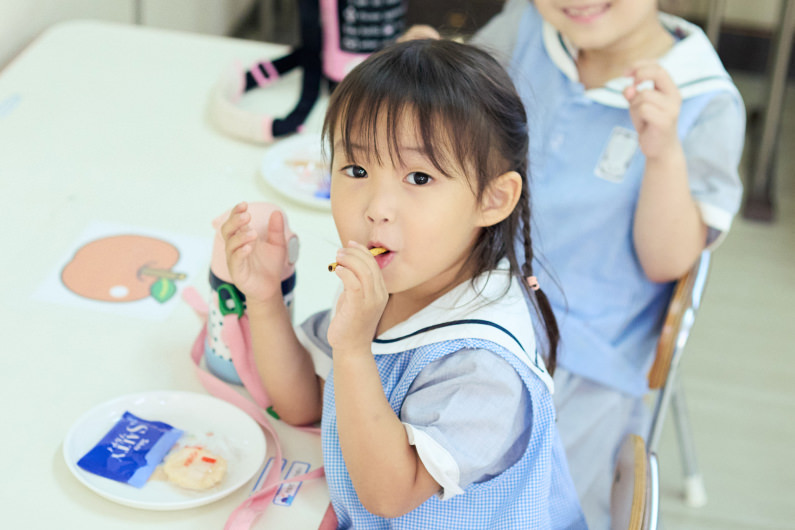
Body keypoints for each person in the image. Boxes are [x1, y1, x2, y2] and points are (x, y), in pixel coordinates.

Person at [222, 39, 586, 529]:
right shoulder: (399, 276)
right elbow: (303, 403)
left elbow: (389, 494)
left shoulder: (484, 365)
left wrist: (352, 348)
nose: (376, 207)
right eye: (356, 169)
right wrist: (264, 297)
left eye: (418, 178)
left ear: (493, 199)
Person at [406, 1, 745, 527]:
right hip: (457, 304)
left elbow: (669, 262)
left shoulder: (705, 100)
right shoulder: (528, 27)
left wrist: (664, 155)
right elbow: (453, 125)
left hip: (579, 361)